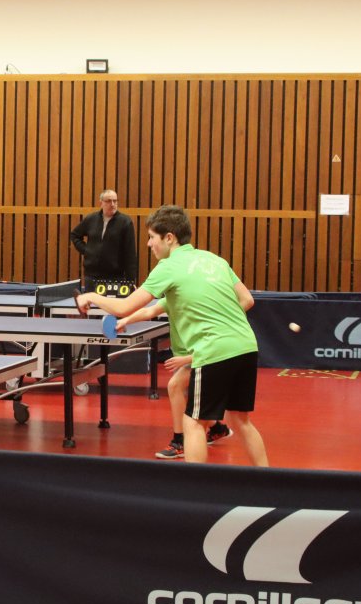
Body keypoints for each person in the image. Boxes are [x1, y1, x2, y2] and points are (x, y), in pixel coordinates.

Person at [77, 205, 267, 466]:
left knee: (193, 422)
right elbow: (246, 299)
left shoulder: (168, 267)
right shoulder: (214, 260)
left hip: (214, 351)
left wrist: (91, 296)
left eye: (151, 237)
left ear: (169, 238)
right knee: (241, 420)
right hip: (246, 345)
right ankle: (268, 479)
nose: (148, 244)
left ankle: (193, 487)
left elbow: (124, 306)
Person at [125, 299, 232, 460]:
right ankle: (217, 429)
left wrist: (188, 358)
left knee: (174, 386)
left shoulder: (200, 301)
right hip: (183, 355)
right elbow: (148, 311)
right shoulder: (171, 299)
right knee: (191, 400)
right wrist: (125, 321)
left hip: (203, 355)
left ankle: (179, 442)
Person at [70, 189, 139, 291]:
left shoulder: (125, 222)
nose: (112, 204)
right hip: (91, 277)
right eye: (109, 201)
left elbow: (130, 254)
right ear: (101, 203)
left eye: (115, 201)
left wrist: (131, 281)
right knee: (91, 302)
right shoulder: (91, 219)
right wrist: (86, 250)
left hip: (115, 278)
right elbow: (75, 235)